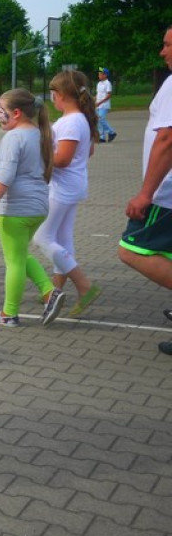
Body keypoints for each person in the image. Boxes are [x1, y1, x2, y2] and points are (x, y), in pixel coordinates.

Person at [0, 89, 64, 326]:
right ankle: (50, 292)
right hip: (38, 206)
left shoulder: (13, 138)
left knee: (14, 261)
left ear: (16, 113)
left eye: (1, 112)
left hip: (17, 208)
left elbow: (5, 176)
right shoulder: (39, 134)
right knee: (19, 254)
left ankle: (9, 314)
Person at [119, 26, 172, 353]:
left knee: (131, 250)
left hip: (165, 195)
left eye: (167, 44)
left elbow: (167, 138)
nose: (162, 51)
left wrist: (145, 193)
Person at [32, 70, 102, 316]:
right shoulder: (80, 119)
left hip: (63, 188)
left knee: (41, 237)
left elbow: (62, 159)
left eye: (52, 94)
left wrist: (39, 156)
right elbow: (88, 152)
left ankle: (84, 285)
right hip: (72, 186)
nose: (52, 99)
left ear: (60, 94)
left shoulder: (71, 121)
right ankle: (55, 289)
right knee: (62, 238)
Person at [96, 67, 116, 142]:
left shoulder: (108, 83)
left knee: (101, 119)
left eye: (100, 74)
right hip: (98, 105)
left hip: (104, 105)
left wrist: (100, 102)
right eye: (99, 74)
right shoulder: (99, 84)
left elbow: (109, 95)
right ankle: (102, 137)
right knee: (98, 120)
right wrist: (93, 99)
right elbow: (98, 94)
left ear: (105, 75)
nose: (99, 76)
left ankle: (111, 132)